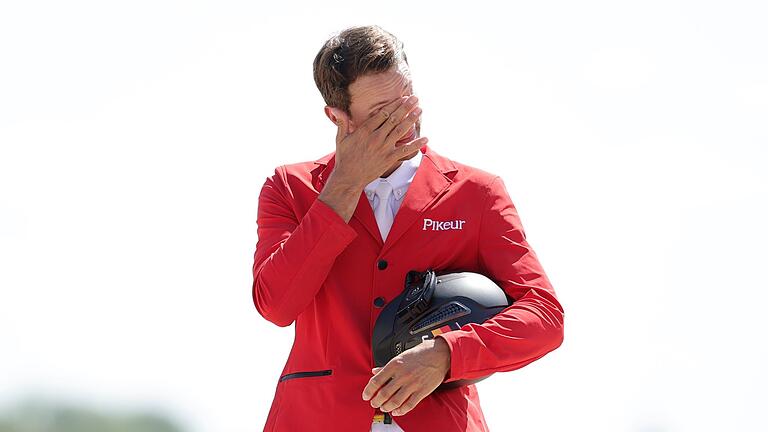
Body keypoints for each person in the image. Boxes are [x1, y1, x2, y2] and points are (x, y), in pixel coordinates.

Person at [251, 25, 565, 432]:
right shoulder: (291, 187)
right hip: (316, 419)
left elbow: (544, 317)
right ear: (337, 117)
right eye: (383, 111)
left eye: (407, 99)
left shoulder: (477, 193)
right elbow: (275, 304)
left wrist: (447, 354)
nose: (406, 120)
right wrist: (344, 186)